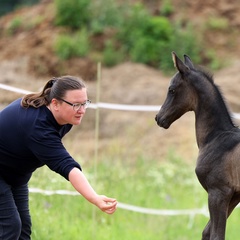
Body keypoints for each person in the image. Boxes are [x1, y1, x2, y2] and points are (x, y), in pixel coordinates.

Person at [0, 75, 117, 239]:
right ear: (55, 103)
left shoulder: (64, 117)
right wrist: (94, 197)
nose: (82, 110)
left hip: (15, 175)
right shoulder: (38, 127)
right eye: (76, 105)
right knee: (10, 227)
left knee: (23, 231)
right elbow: (66, 165)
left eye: (85, 103)